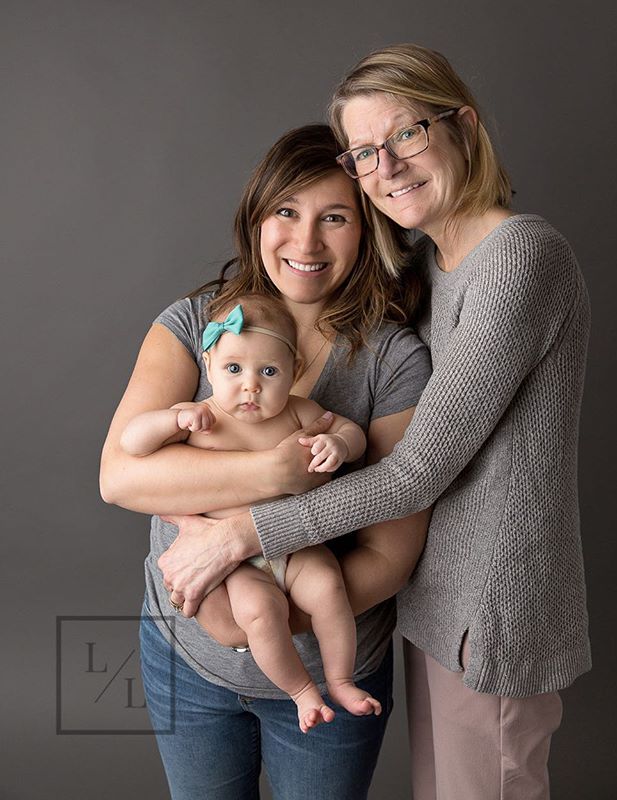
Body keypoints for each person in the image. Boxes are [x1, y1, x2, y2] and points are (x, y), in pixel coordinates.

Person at [157, 46, 592, 800]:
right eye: (365, 152)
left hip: (493, 611)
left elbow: (421, 469)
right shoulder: (429, 265)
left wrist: (244, 532)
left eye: (408, 135)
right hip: (436, 606)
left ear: (464, 126)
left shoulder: (520, 258)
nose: (386, 166)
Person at [100, 124, 431, 799]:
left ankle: (319, 684)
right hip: (186, 660)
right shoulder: (196, 326)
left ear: (366, 230)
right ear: (256, 219)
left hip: (331, 658)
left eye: (334, 218)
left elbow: (391, 555)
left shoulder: (393, 361)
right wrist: (275, 479)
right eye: (287, 212)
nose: (306, 242)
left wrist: (259, 617)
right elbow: (120, 475)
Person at [120, 293, 391, 732]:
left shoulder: (299, 412)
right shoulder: (198, 415)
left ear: (293, 373)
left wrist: (339, 444)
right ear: (208, 366)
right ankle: (302, 692)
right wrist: (172, 421)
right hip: (233, 564)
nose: (251, 386)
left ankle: (339, 679)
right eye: (233, 369)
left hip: (292, 544)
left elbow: (350, 431)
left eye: (268, 372)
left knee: (328, 587)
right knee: (260, 614)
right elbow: (132, 442)